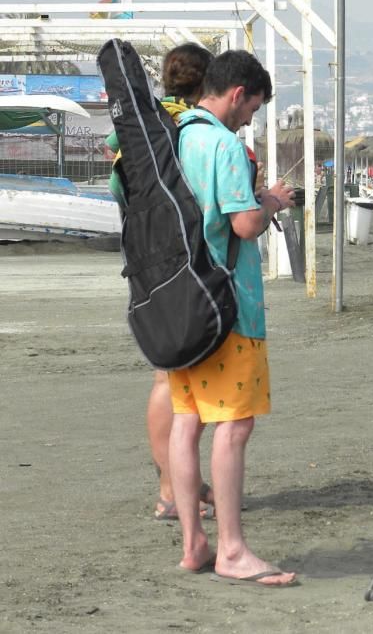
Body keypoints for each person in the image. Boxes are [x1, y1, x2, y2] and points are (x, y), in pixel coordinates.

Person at [170, 50, 297, 586]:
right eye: (253, 109)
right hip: (227, 306)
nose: (251, 120)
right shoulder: (220, 144)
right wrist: (270, 202)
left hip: (178, 301)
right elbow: (244, 225)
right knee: (233, 425)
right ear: (238, 92)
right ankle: (232, 549)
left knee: (187, 421)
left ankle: (193, 543)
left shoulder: (174, 136)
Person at [108, 43, 217, 522]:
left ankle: (173, 485)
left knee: (167, 375)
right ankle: (175, 490)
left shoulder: (142, 126)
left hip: (142, 254)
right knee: (173, 379)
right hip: (178, 258)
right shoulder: (181, 129)